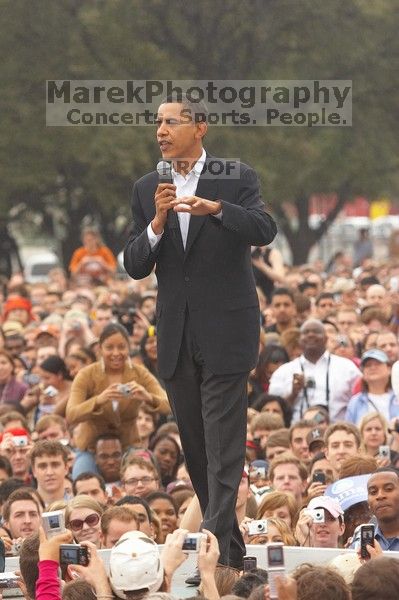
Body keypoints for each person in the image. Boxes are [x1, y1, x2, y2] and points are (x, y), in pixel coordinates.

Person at [123, 93, 277, 570]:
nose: (161, 132)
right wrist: (157, 222)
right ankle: (231, 557)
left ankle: (211, 546)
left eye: (171, 122)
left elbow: (264, 229)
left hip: (227, 331)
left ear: (200, 127)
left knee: (223, 444)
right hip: (175, 335)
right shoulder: (149, 184)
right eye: (157, 123)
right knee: (196, 447)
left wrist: (215, 210)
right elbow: (133, 264)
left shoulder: (237, 176)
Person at [66, 322, 169, 478]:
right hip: (91, 447)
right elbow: (71, 414)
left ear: (129, 348)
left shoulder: (140, 373)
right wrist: (99, 400)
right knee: (82, 481)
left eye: (121, 347)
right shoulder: (86, 375)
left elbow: (168, 405)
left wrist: (147, 397)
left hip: (129, 446)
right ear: (100, 349)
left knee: (144, 477)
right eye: (109, 348)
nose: (116, 353)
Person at [269, 318, 360, 422]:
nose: (311, 335)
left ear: (326, 339)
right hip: (297, 434)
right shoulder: (284, 371)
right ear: (299, 340)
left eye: (316, 331)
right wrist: (293, 393)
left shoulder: (347, 368)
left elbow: (360, 402)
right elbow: (273, 410)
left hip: (337, 434)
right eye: (306, 332)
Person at [346, 348, 399, 425]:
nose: (373, 368)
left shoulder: (397, 397)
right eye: (368, 365)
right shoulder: (355, 402)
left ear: (389, 369)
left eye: (378, 364)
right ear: (362, 372)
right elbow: (350, 431)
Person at [30, 440, 70, 506]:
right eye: (42, 466)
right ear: (34, 471)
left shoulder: (80, 507)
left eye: (55, 465)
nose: (49, 472)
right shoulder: (24, 509)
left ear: (66, 468)